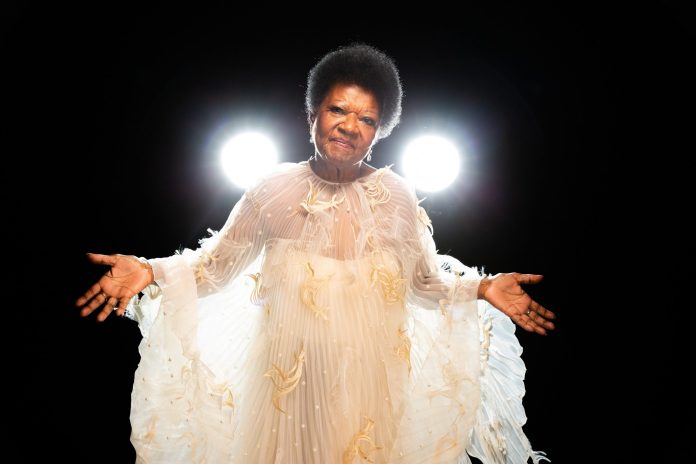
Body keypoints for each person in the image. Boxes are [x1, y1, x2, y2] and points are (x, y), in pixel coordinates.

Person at [76, 43, 556, 463]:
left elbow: (423, 284)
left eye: (367, 119)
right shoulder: (271, 190)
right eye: (338, 110)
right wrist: (149, 271)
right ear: (313, 114)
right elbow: (213, 269)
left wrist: (483, 287)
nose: (350, 126)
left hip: (369, 396)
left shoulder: (396, 197)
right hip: (287, 398)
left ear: (380, 131)